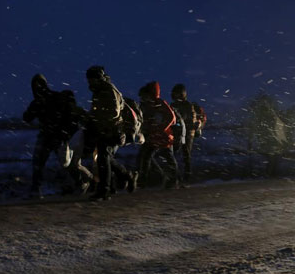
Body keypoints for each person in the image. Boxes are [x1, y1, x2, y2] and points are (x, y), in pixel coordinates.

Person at [23, 73, 84, 198]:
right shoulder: (53, 97)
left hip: (52, 136)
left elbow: (27, 117)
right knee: (61, 163)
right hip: (54, 136)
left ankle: (38, 190)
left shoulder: (46, 99)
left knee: (44, 163)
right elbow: (28, 117)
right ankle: (78, 183)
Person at [85, 66, 137, 200]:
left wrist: (97, 118)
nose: (89, 82)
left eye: (91, 79)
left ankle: (105, 190)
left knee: (103, 158)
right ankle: (126, 176)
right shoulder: (99, 90)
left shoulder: (108, 90)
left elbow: (114, 112)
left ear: (97, 78)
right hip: (105, 130)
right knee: (106, 159)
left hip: (112, 130)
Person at [137, 81, 179, 189]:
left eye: (144, 96)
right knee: (146, 157)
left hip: (164, 137)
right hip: (152, 136)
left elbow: (171, 117)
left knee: (168, 157)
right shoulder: (146, 105)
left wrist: (161, 129)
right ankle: (145, 181)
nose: (142, 98)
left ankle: (172, 181)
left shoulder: (160, 103)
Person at [169, 84, 207, 183]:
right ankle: (177, 177)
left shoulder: (188, 105)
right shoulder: (174, 105)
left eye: (177, 94)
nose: (175, 96)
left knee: (186, 155)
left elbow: (190, 121)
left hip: (188, 134)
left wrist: (180, 126)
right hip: (179, 133)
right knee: (177, 155)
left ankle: (185, 178)